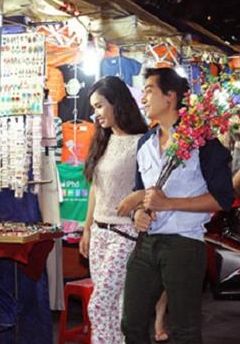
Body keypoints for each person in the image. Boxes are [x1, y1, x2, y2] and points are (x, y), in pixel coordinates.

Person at [117, 68, 233, 344]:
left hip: (184, 243)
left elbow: (222, 198)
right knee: (131, 322)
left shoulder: (203, 142)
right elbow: (140, 192)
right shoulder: (145, 142)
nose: (142, 98)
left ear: (170, 97)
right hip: (146, 243)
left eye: (148, 90)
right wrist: (137, 215)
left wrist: (169, 203)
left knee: (184, 329)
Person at [78, 76, 148, 344]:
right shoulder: (102, 141)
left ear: (117, 103)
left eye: (99, 106)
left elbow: (153, 187)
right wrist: (87, 230)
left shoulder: (142, 142)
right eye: (93, 108)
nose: (96, 114)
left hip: (125, 233)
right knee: (112, 309)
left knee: (99, 305)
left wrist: (137, 201)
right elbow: (96, 188)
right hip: (99, 233)